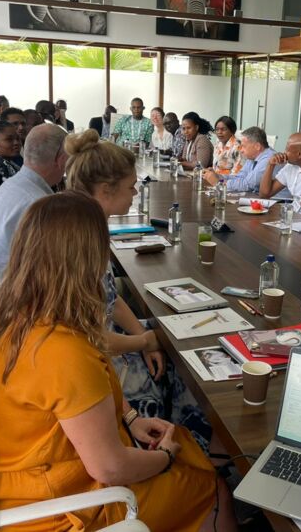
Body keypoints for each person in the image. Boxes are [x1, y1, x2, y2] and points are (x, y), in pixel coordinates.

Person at [0, 191, 233, 532]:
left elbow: (75, 404)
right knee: (210, 486)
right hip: (52, 510)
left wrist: (131, 417)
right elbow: (110, 468)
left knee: (181, 448)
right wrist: (164, 458)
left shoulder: (17, 320)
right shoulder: (63, 352)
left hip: (7, 487)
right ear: (88, 262)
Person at [64, 130, 213, 451]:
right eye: (131, 186)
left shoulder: (87, 225)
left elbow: (110, 298)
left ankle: (192, 445)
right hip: (92, 363)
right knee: (182, 352)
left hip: (102, 343)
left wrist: (143, 337)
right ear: (106, 190)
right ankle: (179, 449)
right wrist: (144, 341)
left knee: (179, 334)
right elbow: (86, 340)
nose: (135, 192)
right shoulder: (80, 242)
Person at [0, 124, 68, 277]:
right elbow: (57, 268)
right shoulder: (38, 205)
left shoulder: (11, 185)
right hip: (16, 287)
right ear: (62, 160)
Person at [203, 126, 275, 193]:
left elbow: (248, 185)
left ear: (257, 146)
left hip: (275, 200)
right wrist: (218, 176)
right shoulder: (252, 157)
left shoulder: (269, 158)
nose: (241, 150)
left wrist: (219, 183)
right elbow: (239, 177)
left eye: (244, 146)